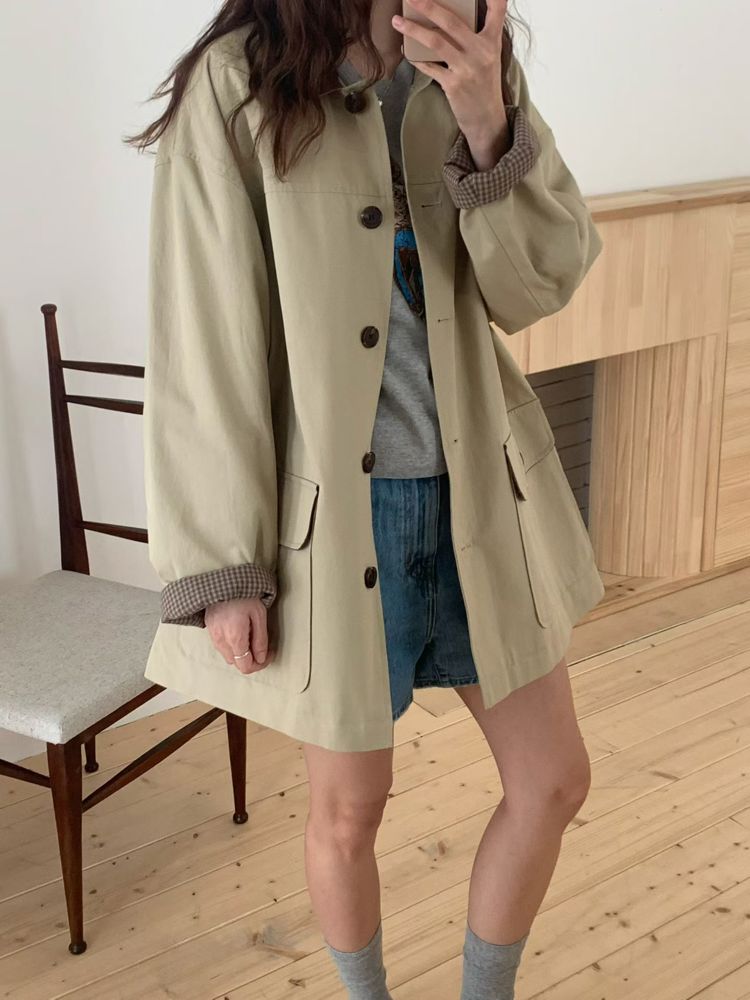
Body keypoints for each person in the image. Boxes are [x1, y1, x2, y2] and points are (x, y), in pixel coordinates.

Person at [128, 1, 604, 996]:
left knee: (553, 780)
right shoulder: (239, 80)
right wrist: (224, 563)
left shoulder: (467, 65)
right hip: (339, 521)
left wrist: (489, 121)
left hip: (481, 495)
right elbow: (204, 338)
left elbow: (538, 286)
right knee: (351, 811)